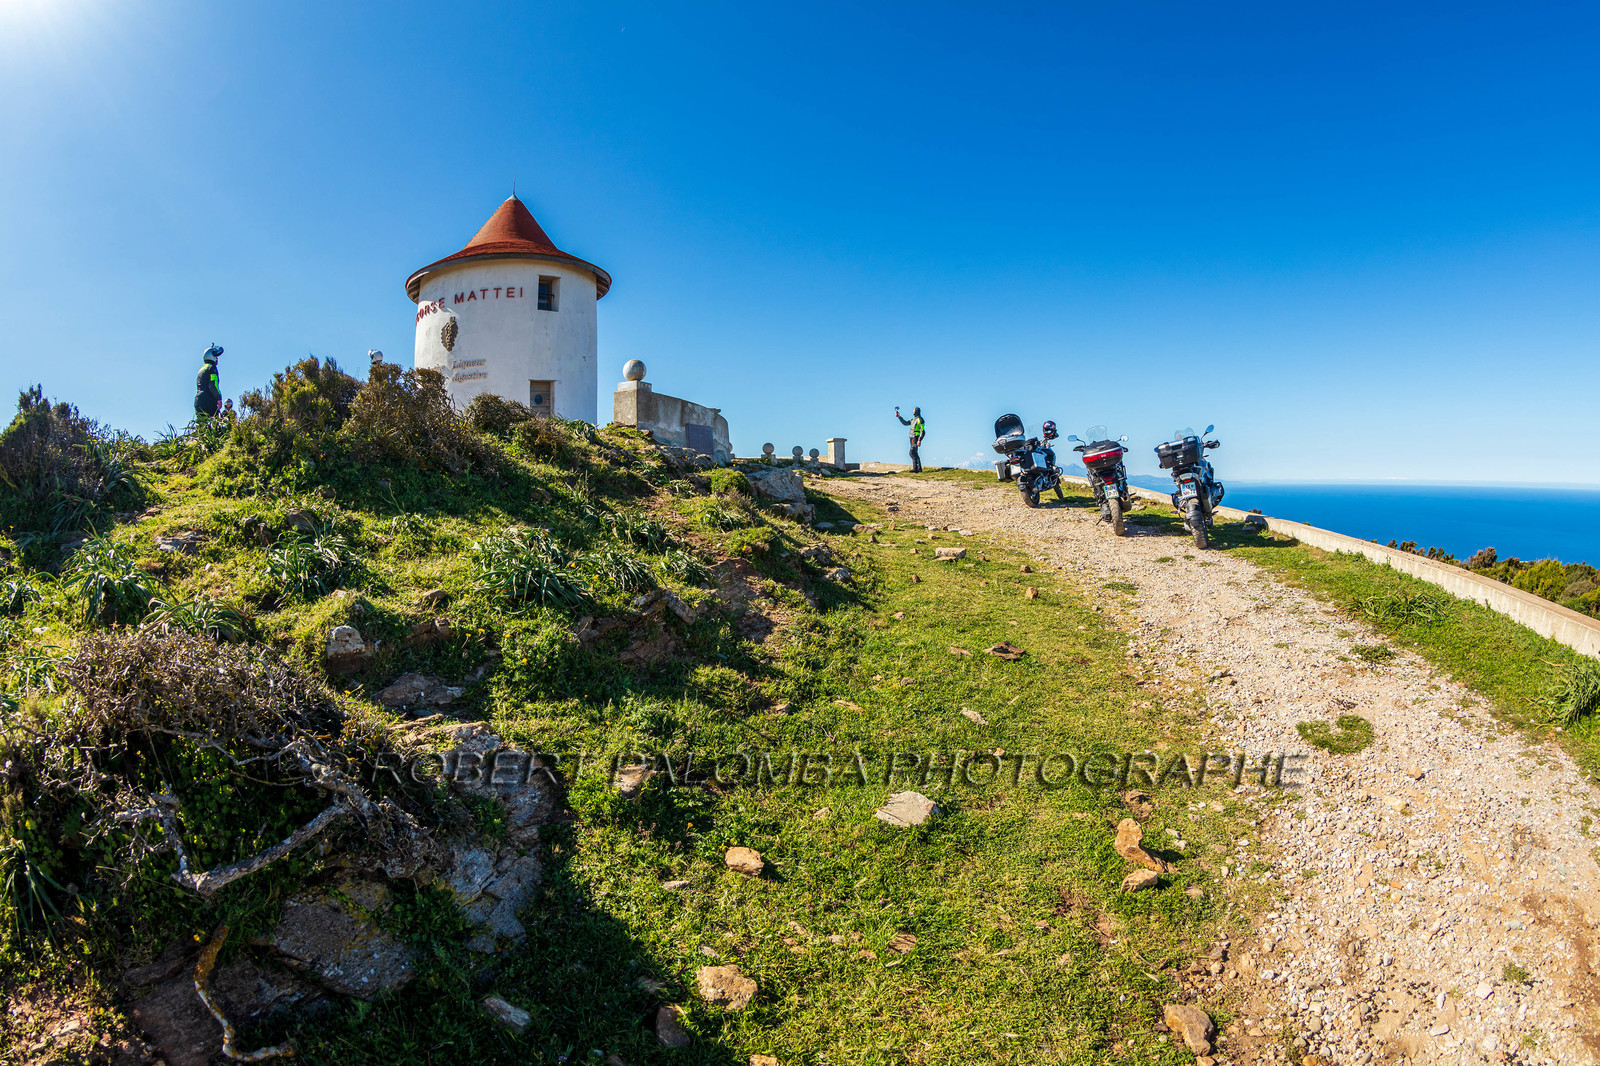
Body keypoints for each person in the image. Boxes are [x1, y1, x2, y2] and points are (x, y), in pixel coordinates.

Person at [194, 344, 223, 421]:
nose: (216, 358)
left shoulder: (201, 369)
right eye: (215, 356)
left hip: (198, 401)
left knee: (202, 424)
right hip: (207, 400)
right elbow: (213, 385)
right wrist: (218, 398)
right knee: (218, 421)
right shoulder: (211, 368)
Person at [895, 405, 925, 473]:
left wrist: (919, 440)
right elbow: (905, 423)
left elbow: (922, 431)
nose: (912, 411)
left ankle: (915, 468)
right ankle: (918, 469)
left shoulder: (920, 419)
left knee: (912, 452)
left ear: (916, 411)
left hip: (915, 437)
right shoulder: (913, 419)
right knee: (914, 452)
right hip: (911, 437)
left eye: (914, 409)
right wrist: (899, 417)